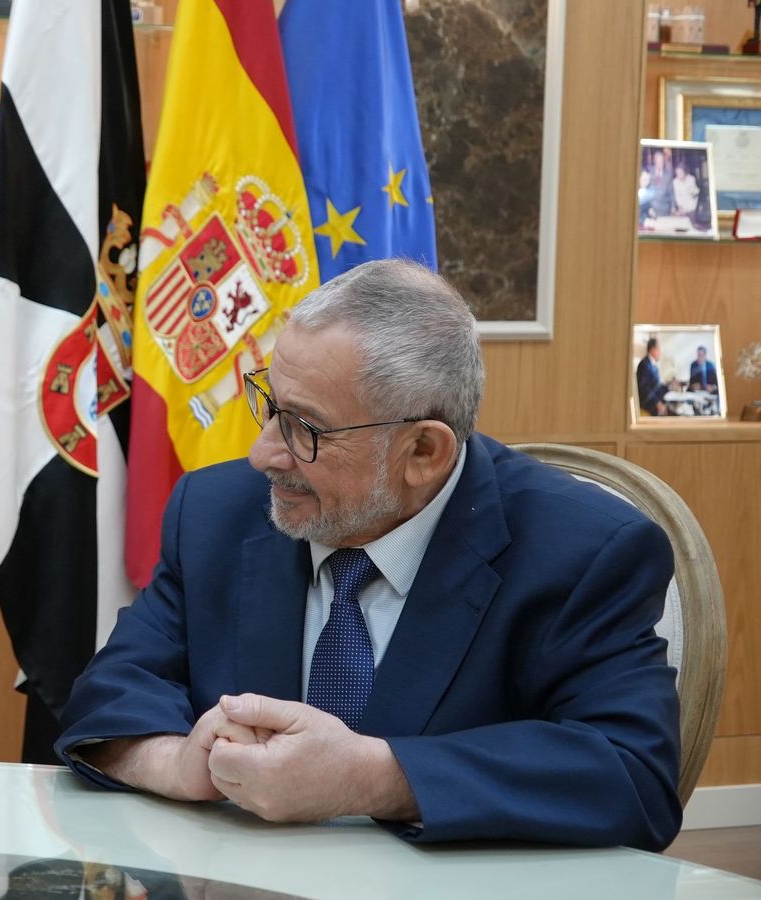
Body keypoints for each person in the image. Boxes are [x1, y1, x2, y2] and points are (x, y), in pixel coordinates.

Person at [55, 259, 681, 851]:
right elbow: (110, 692)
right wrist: (180, 764)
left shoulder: (583, 552)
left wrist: (375, 776)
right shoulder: (216, 512)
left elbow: (631, 775)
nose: (263, 453)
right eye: (269, 404)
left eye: (305, 428)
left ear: (423, 454)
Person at [637, 337, 674, 416]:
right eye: (659, 349)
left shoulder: (653, 365)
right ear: (652, 349)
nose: (660, 352)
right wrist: (657, 403)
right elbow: (644, 389)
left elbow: (657, 386)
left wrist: (670, 387)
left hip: (655, 401)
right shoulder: (644, 364)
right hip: (648, 404)